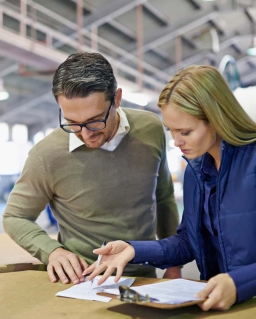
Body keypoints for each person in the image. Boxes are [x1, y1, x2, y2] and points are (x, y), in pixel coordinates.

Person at [84, 65, 256, 316]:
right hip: (227, 306)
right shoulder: (196, 170)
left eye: (185, 132)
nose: (177, 141)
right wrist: (135, 250)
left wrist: (238, 282)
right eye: (171, 131)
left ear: (217, 119)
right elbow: (189, 242)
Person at [3, 52, 181, 284]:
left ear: (117, 99)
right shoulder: (46, 155)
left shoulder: (151, 129)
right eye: (73, 123)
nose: (86, 134)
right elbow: (15, 216)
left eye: (95, 120)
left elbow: (164, 197)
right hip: (81, 281)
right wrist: (52, 251)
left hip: (143, 277)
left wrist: (173, 261)